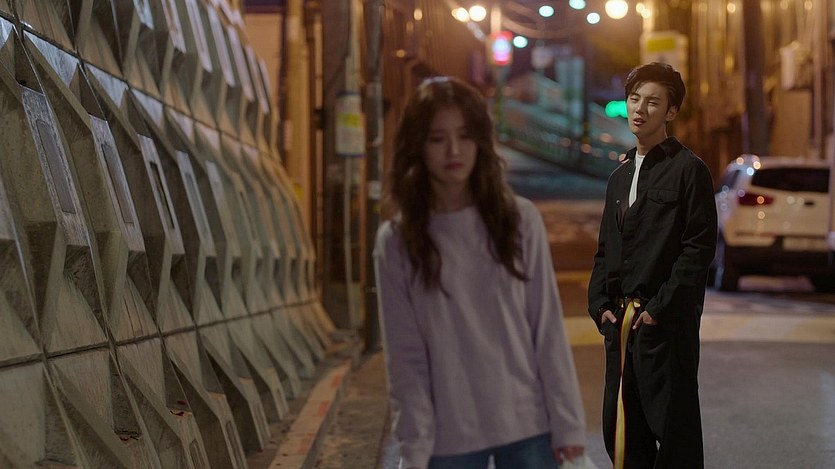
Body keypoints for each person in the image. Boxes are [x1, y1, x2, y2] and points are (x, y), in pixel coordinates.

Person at [374, 76, 586, 469]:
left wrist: (567, 424)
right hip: (448, 436)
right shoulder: (398, 241)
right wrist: (414, 448)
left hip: (527, 424)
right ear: (417, 146)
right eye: (437, 138)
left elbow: (546, 330)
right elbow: (405, 358)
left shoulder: (518, 220)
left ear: (481, 142)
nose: (453, 150)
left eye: (465, 136)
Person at [587, 62, 718, 469]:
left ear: (671, 112)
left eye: (653, 102)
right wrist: (600, 306)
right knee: (622, 435)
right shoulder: (619, 177)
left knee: (675, 437)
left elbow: (698, 251)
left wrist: (659, 311)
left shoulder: (689, 171)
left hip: (665, 328)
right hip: (620, 327)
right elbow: (605, 250)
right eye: (634, 99)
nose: (640, 109)